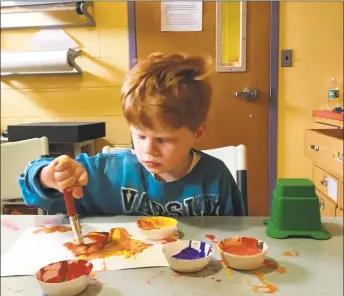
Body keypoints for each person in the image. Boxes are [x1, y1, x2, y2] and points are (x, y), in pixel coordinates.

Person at [19, 53, 246, 217]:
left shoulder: (216, 179)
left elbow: (236, 239)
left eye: (163, 139)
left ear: (197, 132)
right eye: (140, 136)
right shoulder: (108, 173)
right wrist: (48, 177)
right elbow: (32, 189)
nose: (148, 150)